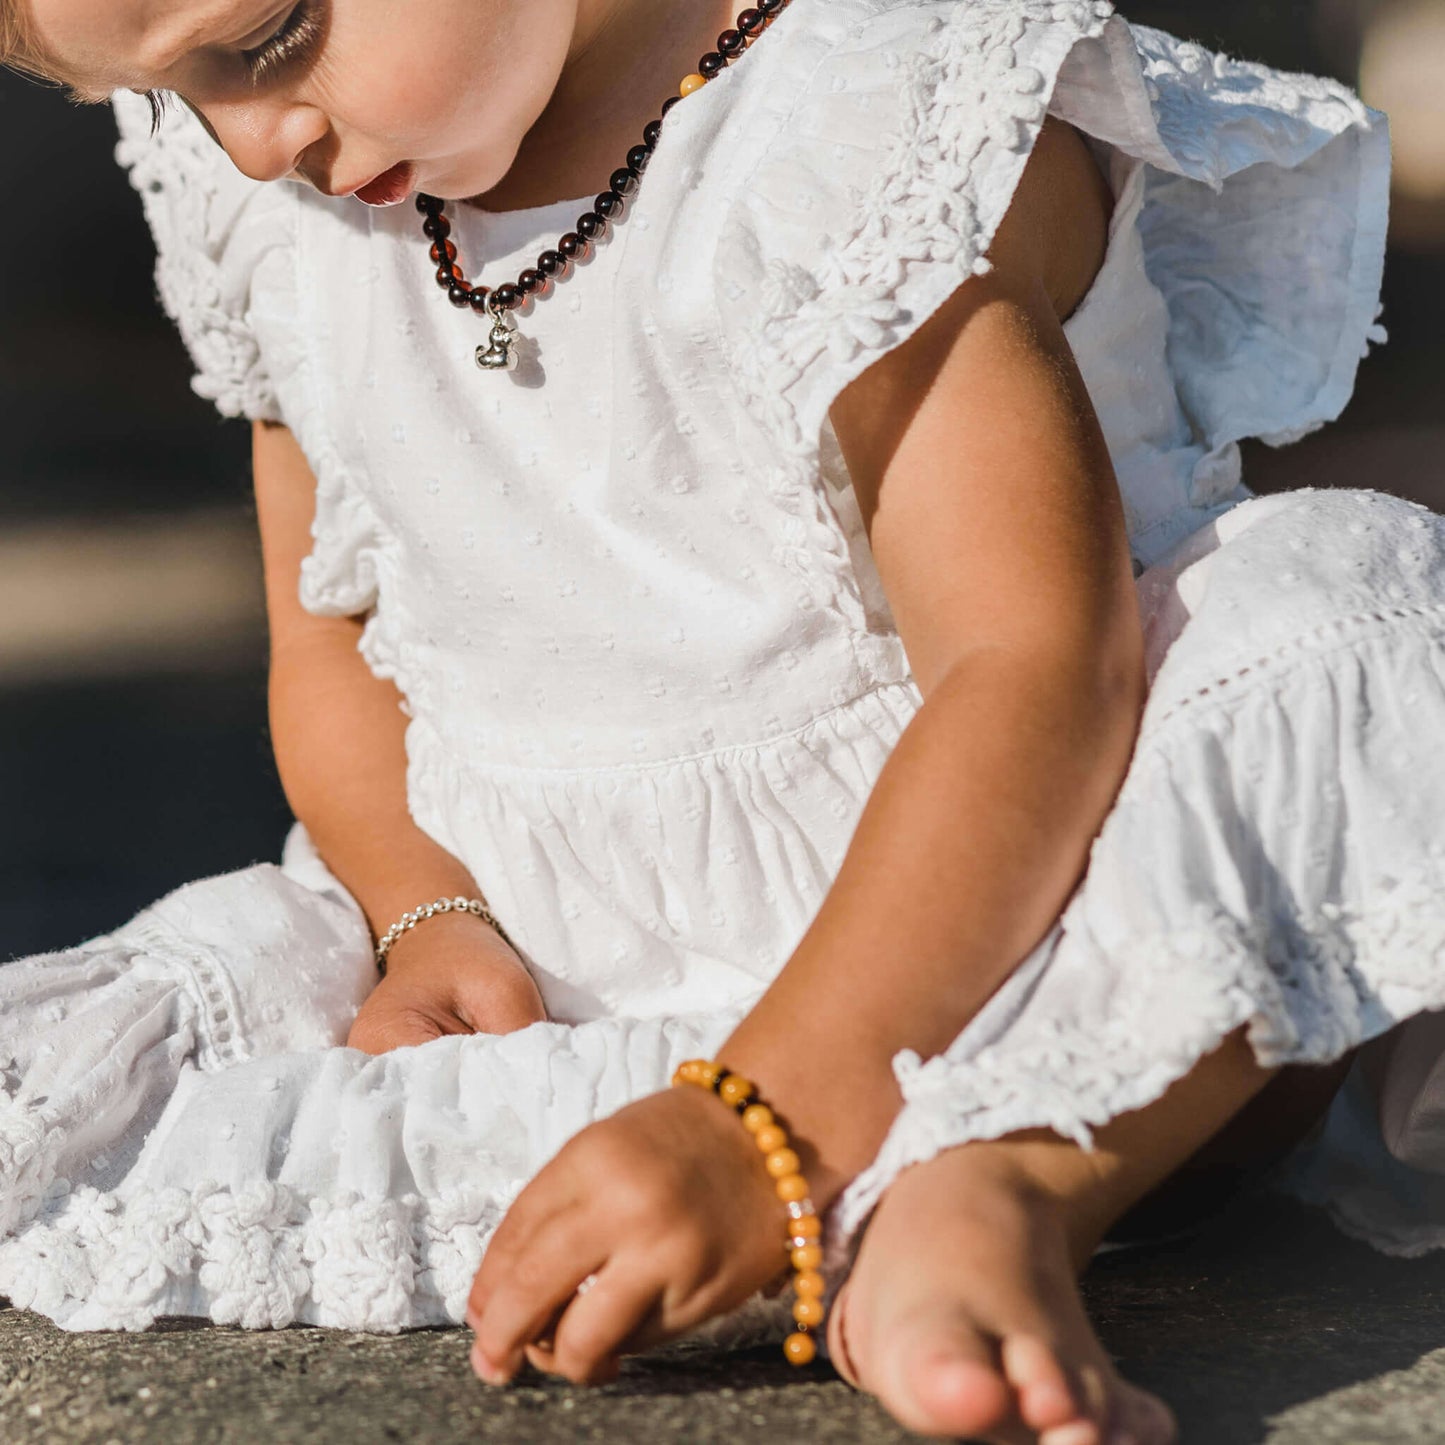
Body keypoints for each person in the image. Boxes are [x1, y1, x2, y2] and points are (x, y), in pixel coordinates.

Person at [2, 0, 1442, 1439]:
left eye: (266, 38)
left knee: (1349, 619)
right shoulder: (287, 214)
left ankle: (1001, 1182)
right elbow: (330, 640)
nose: (253, 146)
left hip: (1012, 934)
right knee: (111, 1062)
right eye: (167, 91)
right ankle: (853, 1189)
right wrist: (423, 912)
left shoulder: (861, 124)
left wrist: (771, 1123)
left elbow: (1028, 671)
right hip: (554, 957)